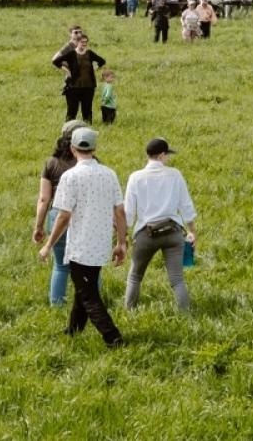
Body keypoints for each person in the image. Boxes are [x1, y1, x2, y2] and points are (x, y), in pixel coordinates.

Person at [39, 127, 126, 347]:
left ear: (72, 148)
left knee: (88, 296)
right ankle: (73, 330)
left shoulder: (70, 177)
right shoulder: (109, 174)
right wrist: (121, 243)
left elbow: (64, 216)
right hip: (101, 244)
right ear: (95, 148)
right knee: (83, 288)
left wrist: (49, 245)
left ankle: (113, 338)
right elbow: (120, 212)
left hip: (80, 247)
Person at [122, 137, 197, 311]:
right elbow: (186, 205)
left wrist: (124, 235)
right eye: (167, 155)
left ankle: (129, 312)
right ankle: (186, 315)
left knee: (134, 277)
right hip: (173, 232)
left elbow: (129, 212)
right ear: (162, 155)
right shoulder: (175, 174)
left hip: (146, 234)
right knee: (177, 279)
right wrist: (192, 230)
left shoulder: (136, 177)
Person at [32, 118, 87, 307]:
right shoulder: (93, 163)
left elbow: (43, 199)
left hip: (59, 214)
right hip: (86, 216)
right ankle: (92, 302)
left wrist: (39, 226)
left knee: (61, 265)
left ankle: (57, 305)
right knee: (89, 265)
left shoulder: (52, 163)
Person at [52, 33, 106, 123]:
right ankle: (68, 130)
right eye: (82, 42)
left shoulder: (90, 53)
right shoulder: (71, 54)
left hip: (88, 87)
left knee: (87, 111)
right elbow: (56, 61)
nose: (84, 44)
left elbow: (102, 61)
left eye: (86, 42)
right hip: (73, 87)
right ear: (77, 42)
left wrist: (94, 68)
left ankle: (87, 129)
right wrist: (67, 71)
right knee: (72, 111)